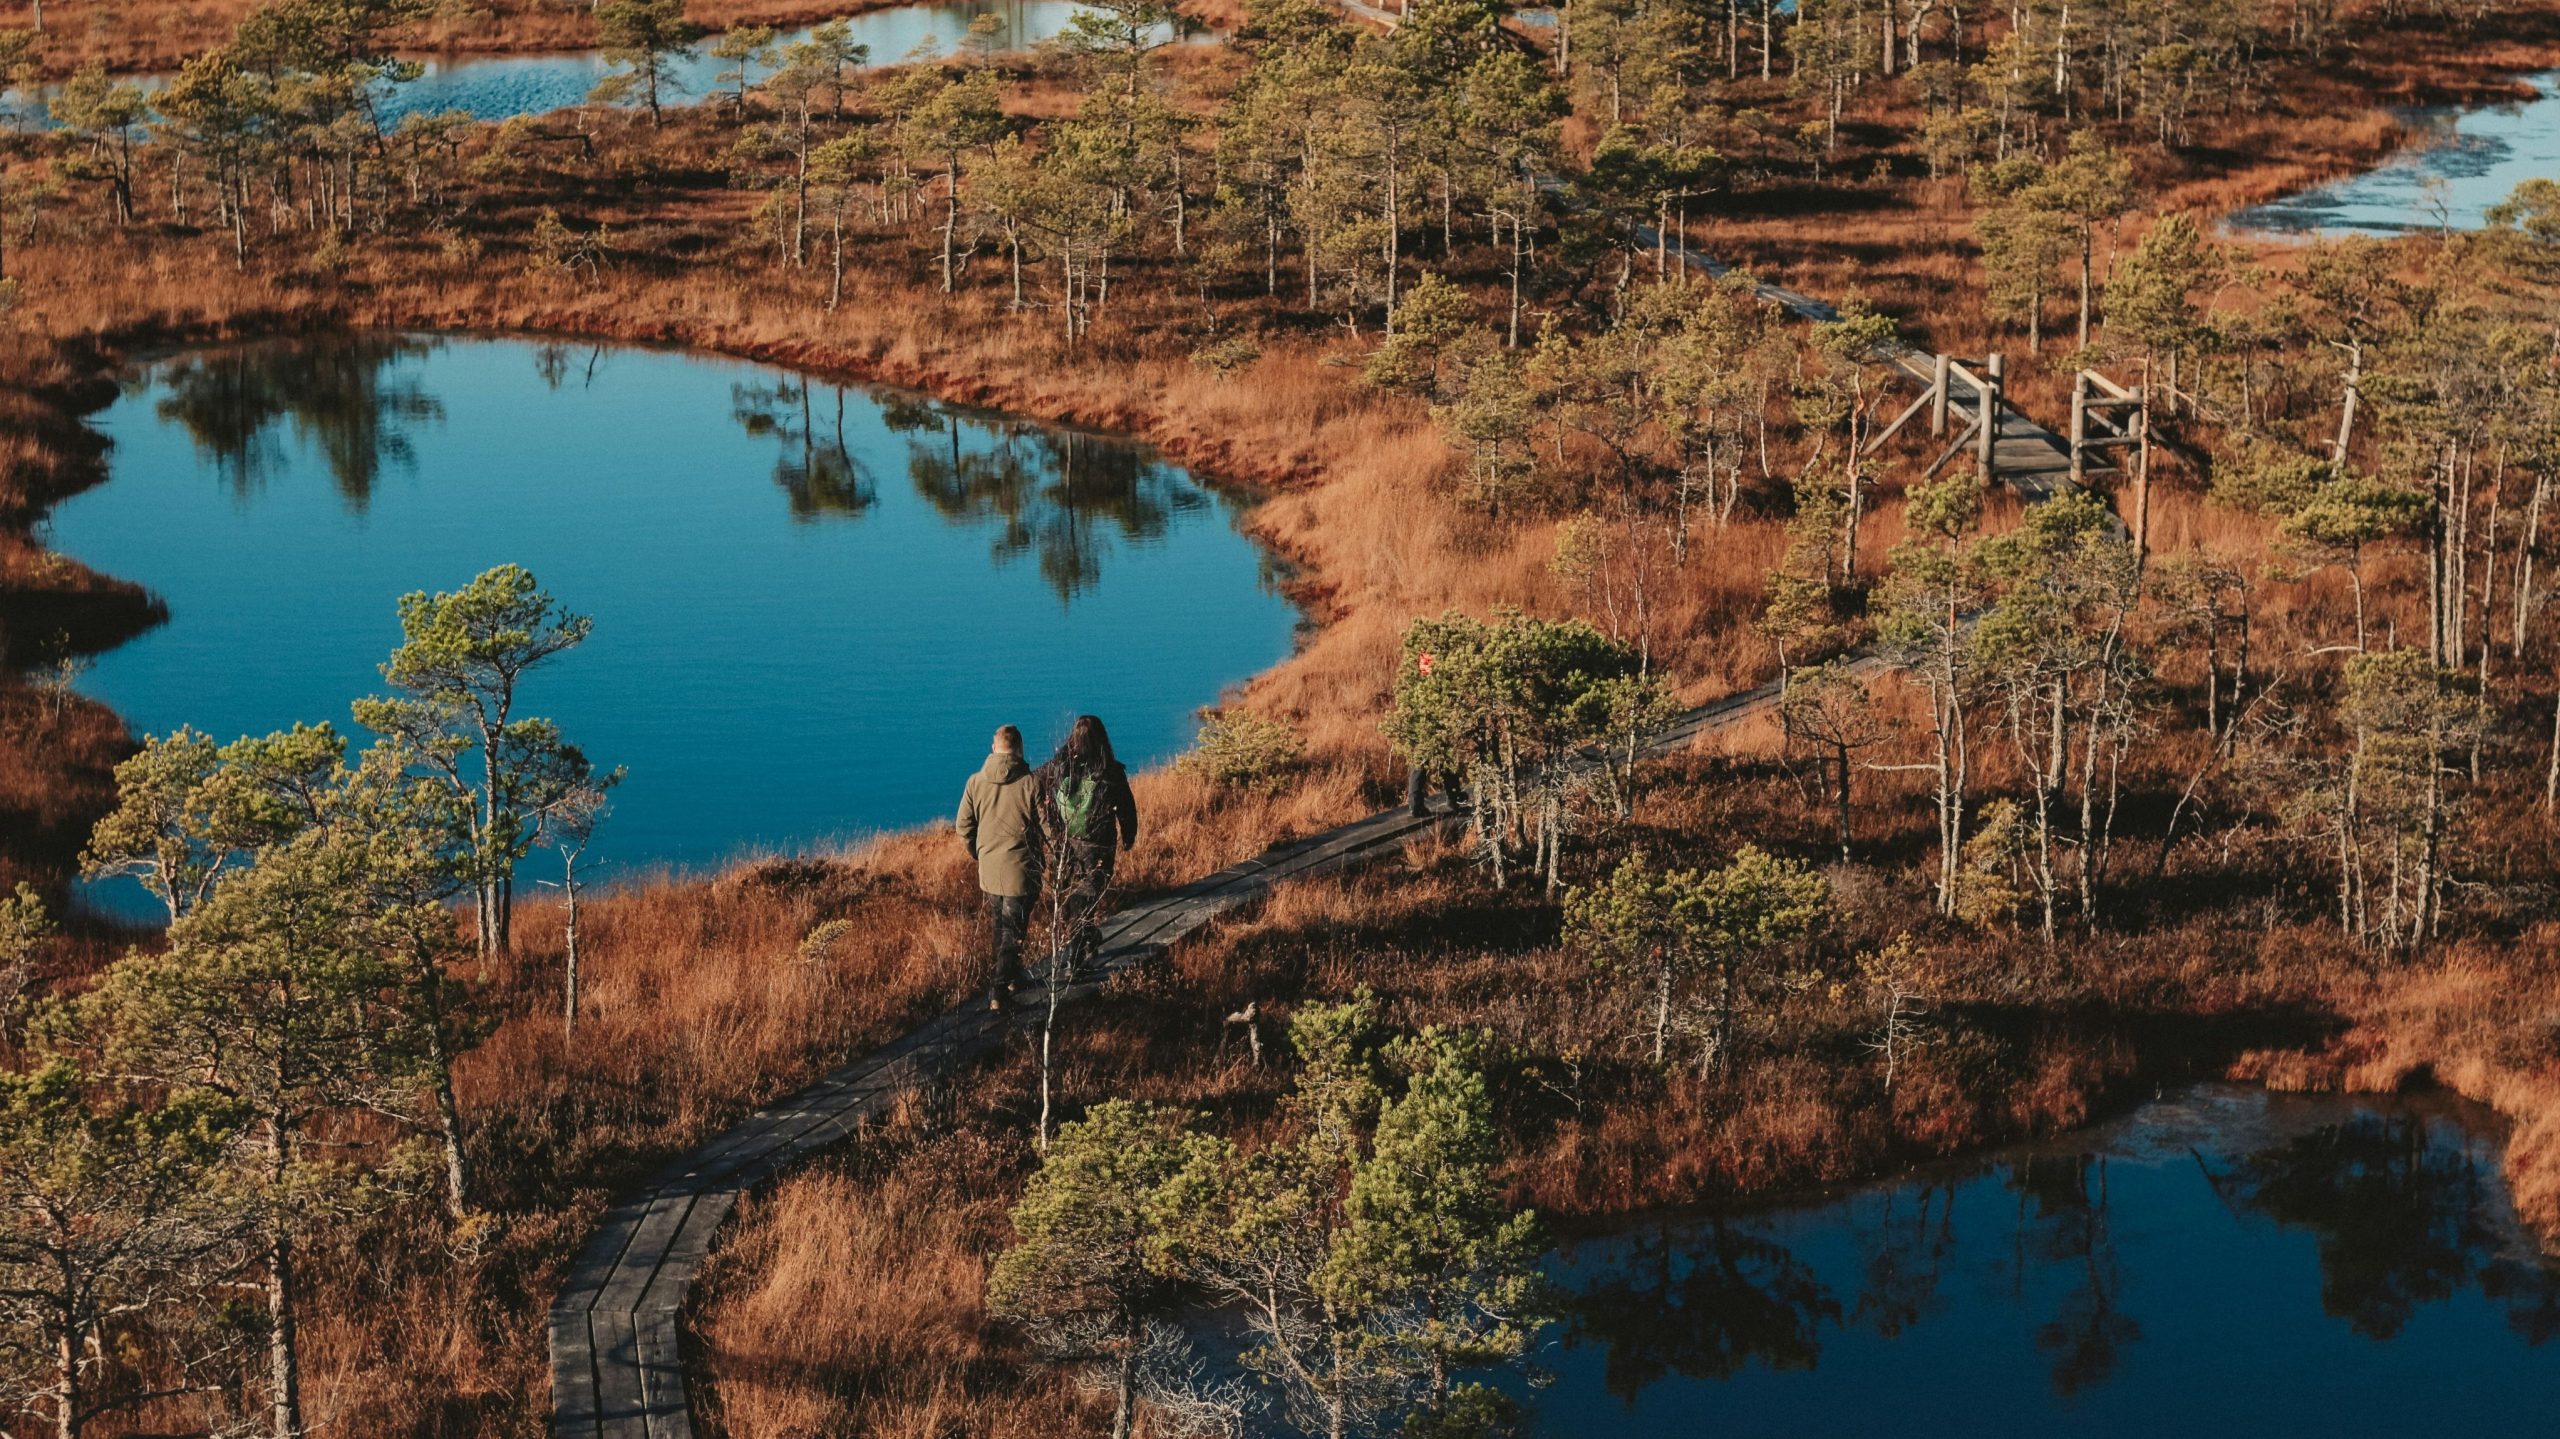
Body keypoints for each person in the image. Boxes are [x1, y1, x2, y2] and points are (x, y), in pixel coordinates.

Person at [1036, 714, 1139, 974]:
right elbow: (1126, 808)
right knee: (1088, 897)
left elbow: (1034, 782)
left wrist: (1046, 823)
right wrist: (1129, 836)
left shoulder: (1058, 765)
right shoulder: (1109, 770)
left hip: (1065, 844)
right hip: (1098, 845)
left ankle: (1086, 938)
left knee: (1073, 898)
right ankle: (1074, 957)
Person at [957, 724, 1042, 1010]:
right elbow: (1048, 829)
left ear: (994, 749)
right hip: (1022, 869)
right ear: (1020, 749)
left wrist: (978, 852)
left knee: (1001, 926)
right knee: (1013, 930)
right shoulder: (1031, 783)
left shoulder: (974, 782)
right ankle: (998, 991)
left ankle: (1012, 978)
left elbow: (963, 826)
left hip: (990, 869)